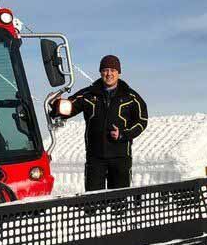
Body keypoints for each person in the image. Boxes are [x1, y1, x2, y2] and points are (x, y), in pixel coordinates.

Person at [51, 54, 148, 191]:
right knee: (94, 201)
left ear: (118, 73)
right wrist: (56, 105)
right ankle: (95, 212)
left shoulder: (131, 97)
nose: (109, 74)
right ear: (101, 72)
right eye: (105, 70)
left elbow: (142, 121)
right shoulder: (88, 94)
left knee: (119, 202)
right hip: (95, 157)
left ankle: (119, 212)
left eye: (112, 70)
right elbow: (67, 108)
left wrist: (124, 134)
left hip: (120, 157)